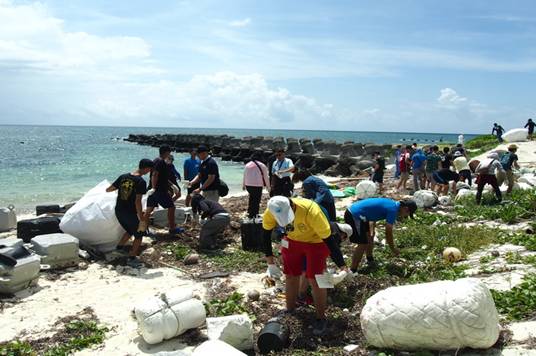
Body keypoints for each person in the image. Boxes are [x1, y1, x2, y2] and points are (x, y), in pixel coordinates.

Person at [262, 196, 347, 336]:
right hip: (292, 241)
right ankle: (290, 310)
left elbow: (329, 241)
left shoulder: (311, 211)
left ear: (292, 206)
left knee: (317, 280)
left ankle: (321, 317)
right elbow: (265, 234)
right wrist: (270, 262)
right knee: (290, 275)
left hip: (317, 242)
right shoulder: (271, 210)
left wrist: (342, 266)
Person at [344, 198, 417, 272]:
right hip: (354, 215)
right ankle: (352, 270)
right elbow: (388, 232)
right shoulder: (393, 210)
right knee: (362, 244)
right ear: (405, 209)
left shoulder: (392, 204)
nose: (405, 216)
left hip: (362, 215)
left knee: (369, 237)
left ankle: (370, 260)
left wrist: (372, 232)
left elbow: (374, 212)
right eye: (407, 214)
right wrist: (393, 249)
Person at [106, 159, 154, 267]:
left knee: (129, 230)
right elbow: (138, 201)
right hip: (129, 212)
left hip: (119, 210)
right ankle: (132, 257)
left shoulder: (123, 177)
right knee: (139, 234)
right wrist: (141, 216)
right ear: (146, 168)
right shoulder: (141, 182)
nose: (149, 172)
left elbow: (109, 189)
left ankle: (119, 249)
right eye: (149, 169)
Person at [146, 145, 181, 235]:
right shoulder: (160, 161)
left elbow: (163, 177)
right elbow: (155, 175)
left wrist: (172, 185)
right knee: (171, 207)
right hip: (159, 190)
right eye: (169, 152)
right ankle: (172, 228)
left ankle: (143, 229)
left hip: (153, 190)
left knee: (149, 210)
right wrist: (154, 188)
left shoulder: (156, 160)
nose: (170, 154)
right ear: (166, 152)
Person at [243, 152, 270, 219]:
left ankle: (250, 212)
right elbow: (266, 177)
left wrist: (243, 185)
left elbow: (244, 175)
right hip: (257, 185)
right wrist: (268, 186)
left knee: (252, 198)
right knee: (256, 200)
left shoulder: (247, 165)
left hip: (248, 185)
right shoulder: (262, 165)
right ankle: (255, 214)